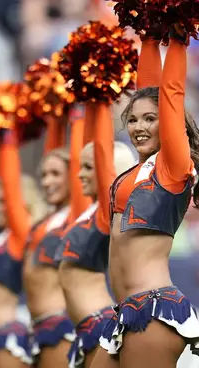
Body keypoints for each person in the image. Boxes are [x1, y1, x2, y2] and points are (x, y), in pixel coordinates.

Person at [92, 26, 199, 367]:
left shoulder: (172, 167)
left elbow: (170, 93)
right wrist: (147, 32)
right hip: (125, 312)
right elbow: (147, 87)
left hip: (153, 307)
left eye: (150, 119)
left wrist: (178, 33)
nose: (138, 126)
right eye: (131, 120)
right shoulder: (137, 170)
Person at [56, 100, 136, 368]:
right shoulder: (85, 212)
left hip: (99, 322)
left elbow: (102, 153)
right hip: (84, 328)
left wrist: (102, 98)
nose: (79, 175)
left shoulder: (107, 211)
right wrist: (82, 109)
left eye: (89, 169)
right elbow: (86, 150)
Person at [23, 115, 89, 368]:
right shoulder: (44, 222)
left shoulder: (76, 216)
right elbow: (53, 153)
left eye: (55, 174)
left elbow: (74, 158)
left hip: (60, 325)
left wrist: (78, 116)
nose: (47, 181)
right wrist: (54, 116)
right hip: (38, 329)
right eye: (44, 175)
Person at [0, 130, 48, 368]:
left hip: (8, 335)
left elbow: (10, 185)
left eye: (2, 202)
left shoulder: (20, 237)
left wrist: (6, 136)